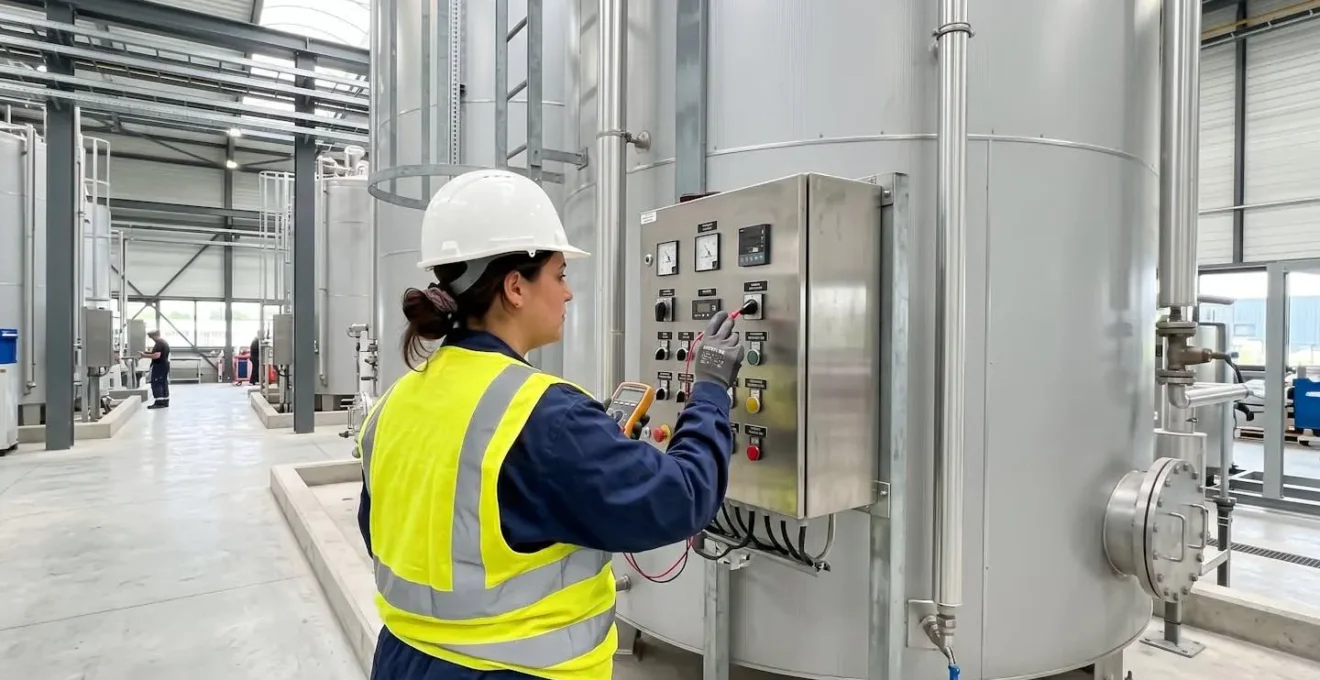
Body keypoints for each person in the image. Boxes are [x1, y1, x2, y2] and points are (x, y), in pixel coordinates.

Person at [356, 169, 744, 680]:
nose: (568, 295)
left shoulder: (395, 402)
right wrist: (712, 390)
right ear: (515, 287)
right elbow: (682, 498)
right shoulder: (543, 415)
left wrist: (590, 449)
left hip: (403, 659)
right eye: (560, 275)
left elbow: (388, 529)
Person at [139, 330, 170, 409]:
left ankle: (159, 402)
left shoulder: (159, 343)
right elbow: (159, 353)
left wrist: (144, 356)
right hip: (164, 365)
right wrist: (146, 353)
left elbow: (157, 355)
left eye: (152, 337)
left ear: (155, 336)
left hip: (158, 365)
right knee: (163, 382)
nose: (152, 339)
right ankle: (165, 401)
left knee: (156, 382)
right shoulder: (164, 342)